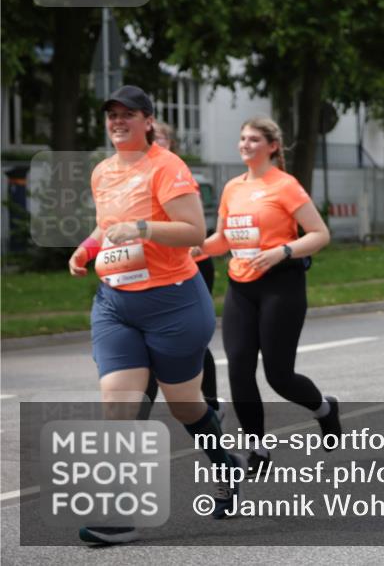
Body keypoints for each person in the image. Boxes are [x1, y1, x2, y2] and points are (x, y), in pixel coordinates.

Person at [68, 85, 245, 543]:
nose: (118, 122)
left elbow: (193, 230)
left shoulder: (167, 168)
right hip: (115, 304)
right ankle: (119, 515)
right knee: (117, 406)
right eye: (112, 115)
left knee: (184, 405)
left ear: (148, 120)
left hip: (174, 302)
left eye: (128, 114)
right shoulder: (103, 171)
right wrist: (87, 249)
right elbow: (107, 223)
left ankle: (226, 463)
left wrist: (143, 227)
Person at [196, 117, 339, 472]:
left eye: (253, 139)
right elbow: (223, 239)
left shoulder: (285, 186)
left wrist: (284, 251)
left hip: (281, 284)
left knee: (279, 375)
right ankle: (258, 449)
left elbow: (320, 234)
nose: (245, 144)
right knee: (239, 368)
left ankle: (324, 408)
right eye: (242, 138)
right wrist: (192, 249)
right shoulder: (232, 188)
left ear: (272, 146)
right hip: (241, 286)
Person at [138, 121, 223, 419]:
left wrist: (194, 241)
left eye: (160, 137)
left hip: (192, 266)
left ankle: (210, 402)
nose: (154, 141)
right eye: (152, 137)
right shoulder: (136, 176)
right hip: (152, 270)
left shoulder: (176, 172)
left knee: (193, 339)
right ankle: (139, 414)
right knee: (146, 343)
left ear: (171, 143)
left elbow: (192, 221)